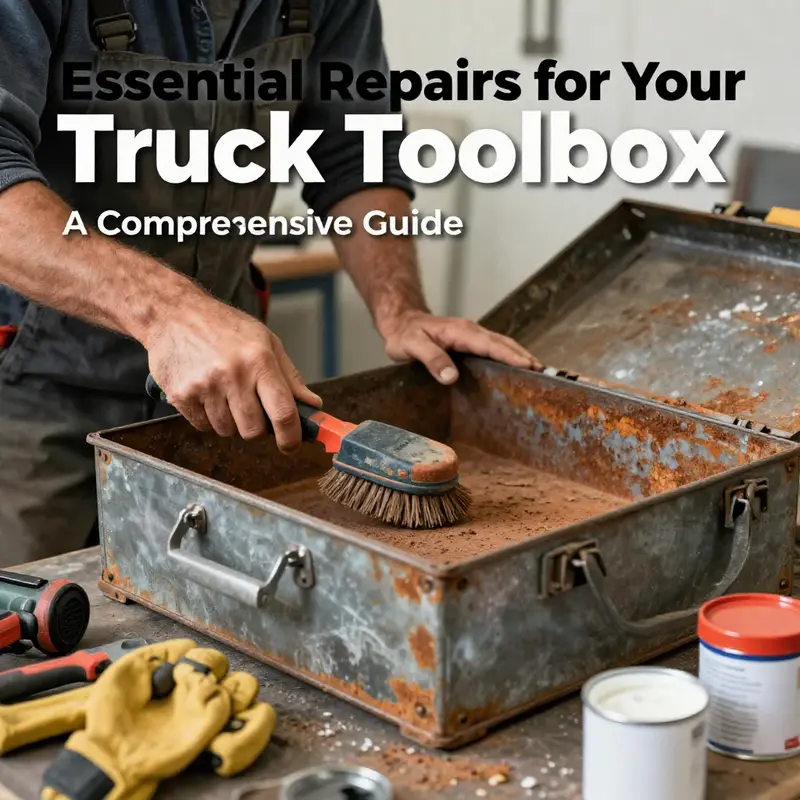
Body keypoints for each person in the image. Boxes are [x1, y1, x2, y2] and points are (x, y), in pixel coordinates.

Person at [0, 0, 539, 567]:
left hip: (226, 401)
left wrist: (399, 307)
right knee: (25, 627)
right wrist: (171, 314)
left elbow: (352, 151)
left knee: (205, 613)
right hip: (31, 389)